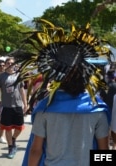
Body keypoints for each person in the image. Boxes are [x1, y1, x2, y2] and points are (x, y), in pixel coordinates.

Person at [17, 20, 111, 166]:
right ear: (86, 74)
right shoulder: (97, 108)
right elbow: (104, 151)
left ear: (57, 75)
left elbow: (36, 151)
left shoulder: (45, 108)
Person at [0, 57, 27, 159]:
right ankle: (10, 147)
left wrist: (25, 104)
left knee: (19, 127)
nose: (10, 65)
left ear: (15, 64)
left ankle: (13, 139)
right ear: (6, 65)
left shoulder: (18, 75)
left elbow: (22, 91)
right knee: (7, 127)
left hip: (17, 106)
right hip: (6, 106)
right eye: (8, 63)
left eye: (12, 63)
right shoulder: (1, 76)